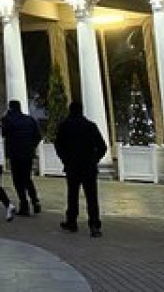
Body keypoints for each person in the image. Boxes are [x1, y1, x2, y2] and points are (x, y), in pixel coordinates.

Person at [54, 101, 108, 237]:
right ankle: (94, 225)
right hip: (89, 167)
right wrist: (94, 160)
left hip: (72, 166)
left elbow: (58, 145)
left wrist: (65, 159)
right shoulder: (90, 126)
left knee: (72, 195)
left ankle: (71, 222)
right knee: (92, 197)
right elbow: (102, 146)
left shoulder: (65, 126)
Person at [0, 100, 42, 215]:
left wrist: (4, 118)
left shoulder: (8, 120)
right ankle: (35, 201)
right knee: (27, 178)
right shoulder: (30, 120)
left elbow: (3, 133)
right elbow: (38, 136)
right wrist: (31, 146)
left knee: (18, 180)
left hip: (15, 154)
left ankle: (24, 204)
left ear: (10, 108)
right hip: (28, 153)